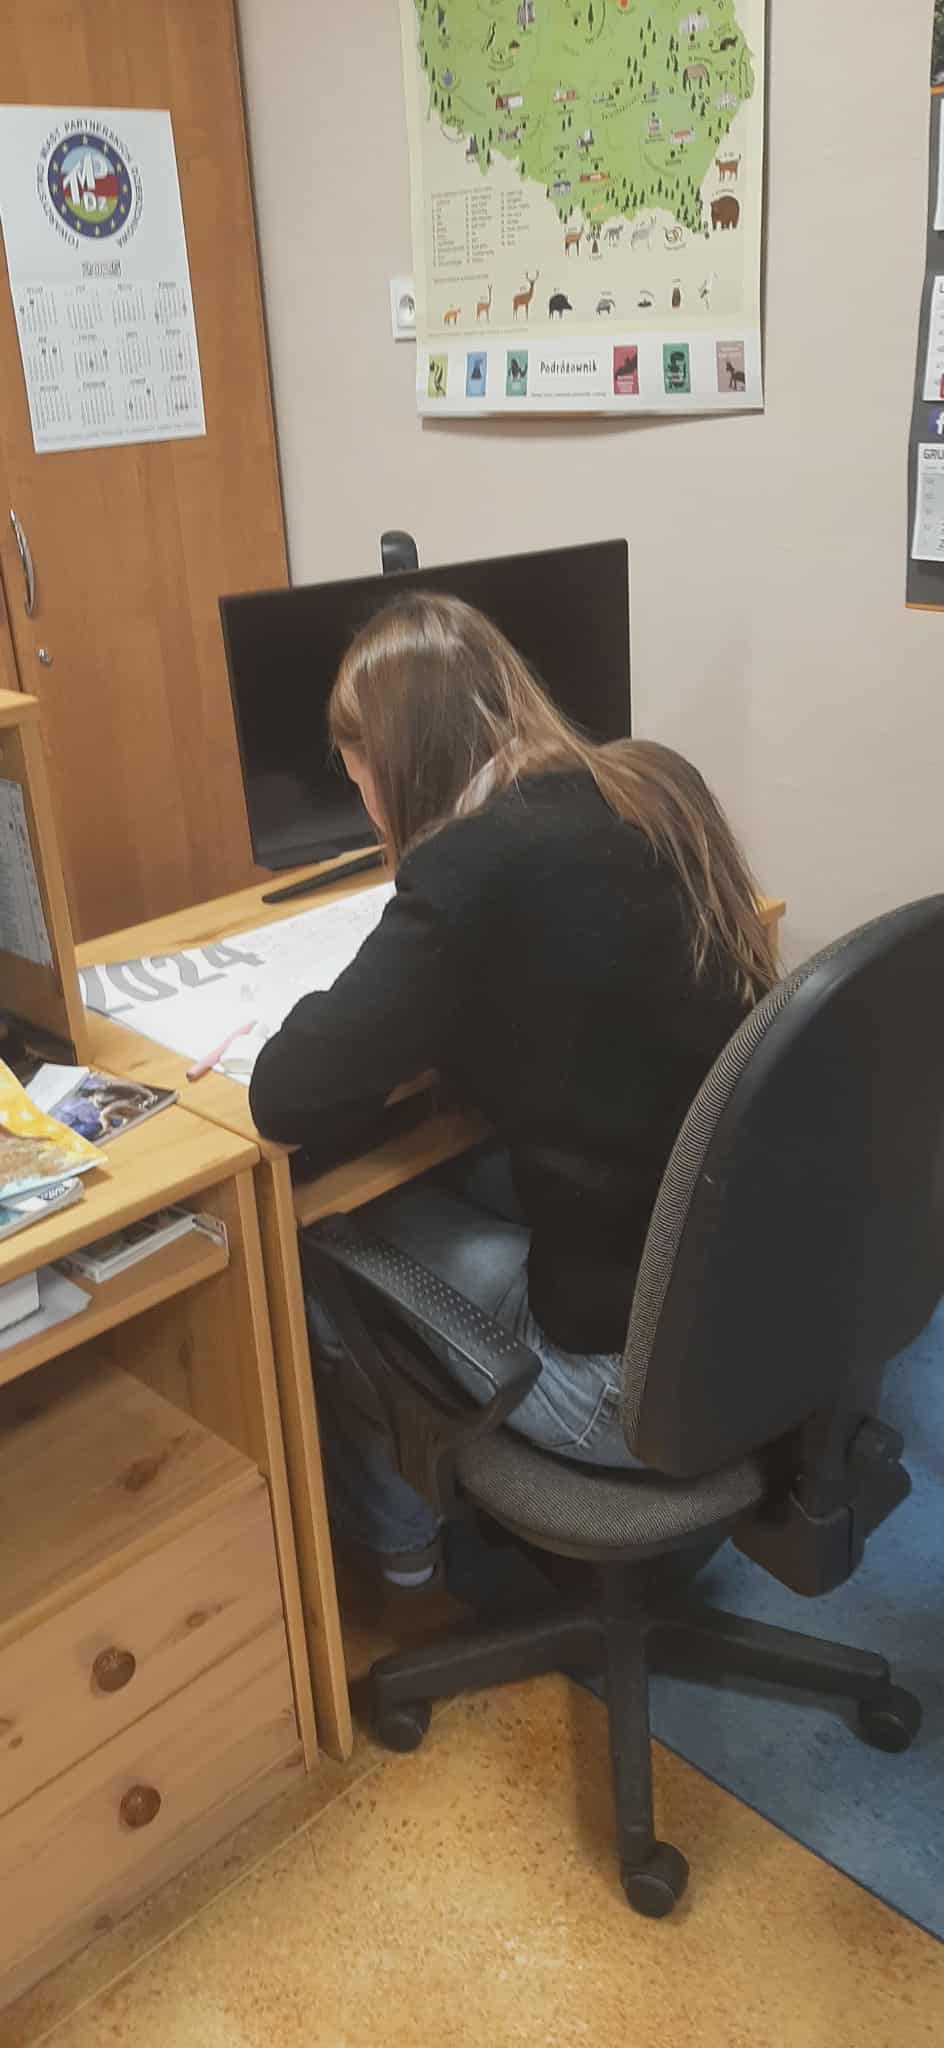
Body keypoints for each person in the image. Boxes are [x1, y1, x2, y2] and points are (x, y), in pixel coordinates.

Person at [249, 593, 776, 1582]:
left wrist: (356, 999)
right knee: (454, 1166)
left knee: (312, 1226)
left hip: (619, 1389)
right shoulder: (653, 783)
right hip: (769, 1312)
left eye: (359, 778)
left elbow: (284, 1095)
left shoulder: (467, 870)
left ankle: (399, 1552)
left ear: (390, 763)